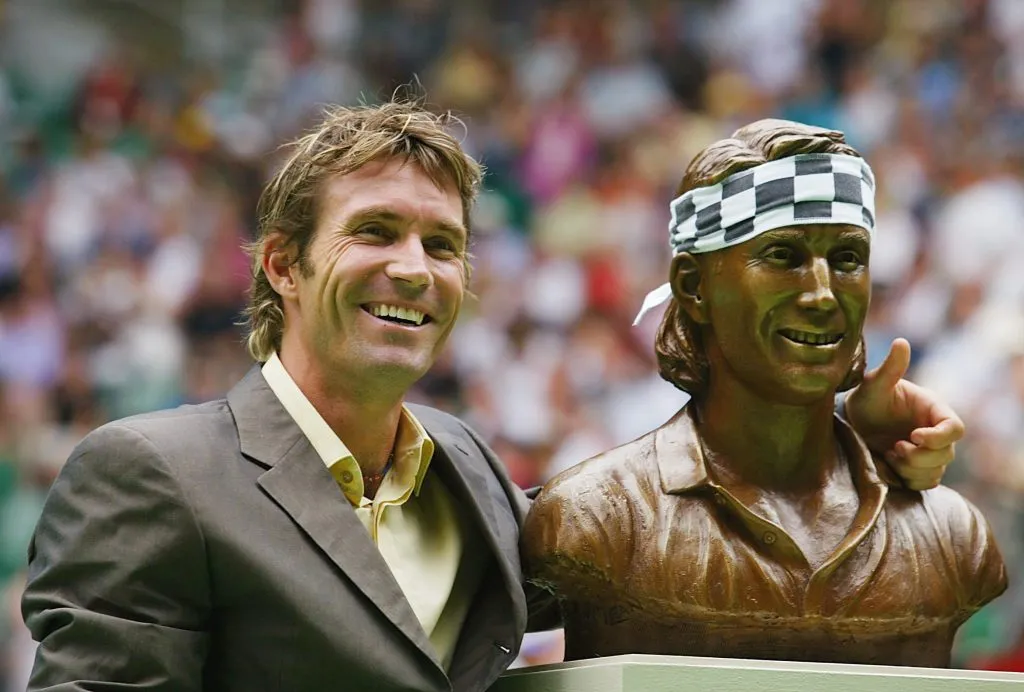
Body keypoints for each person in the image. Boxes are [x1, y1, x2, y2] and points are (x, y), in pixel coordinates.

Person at [22, 102, 964, 691]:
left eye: (442, 244)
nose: (413, 268)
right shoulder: (152, 473)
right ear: (282, 266)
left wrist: (845, 440)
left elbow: (654, 537)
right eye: (375, 231)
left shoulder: (464, 467)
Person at [522, 119, 1007, 668]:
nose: (823, 294)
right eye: (782, 256)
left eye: (847, 259)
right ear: (694, 287)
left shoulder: (953, 537)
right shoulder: (595, 519)